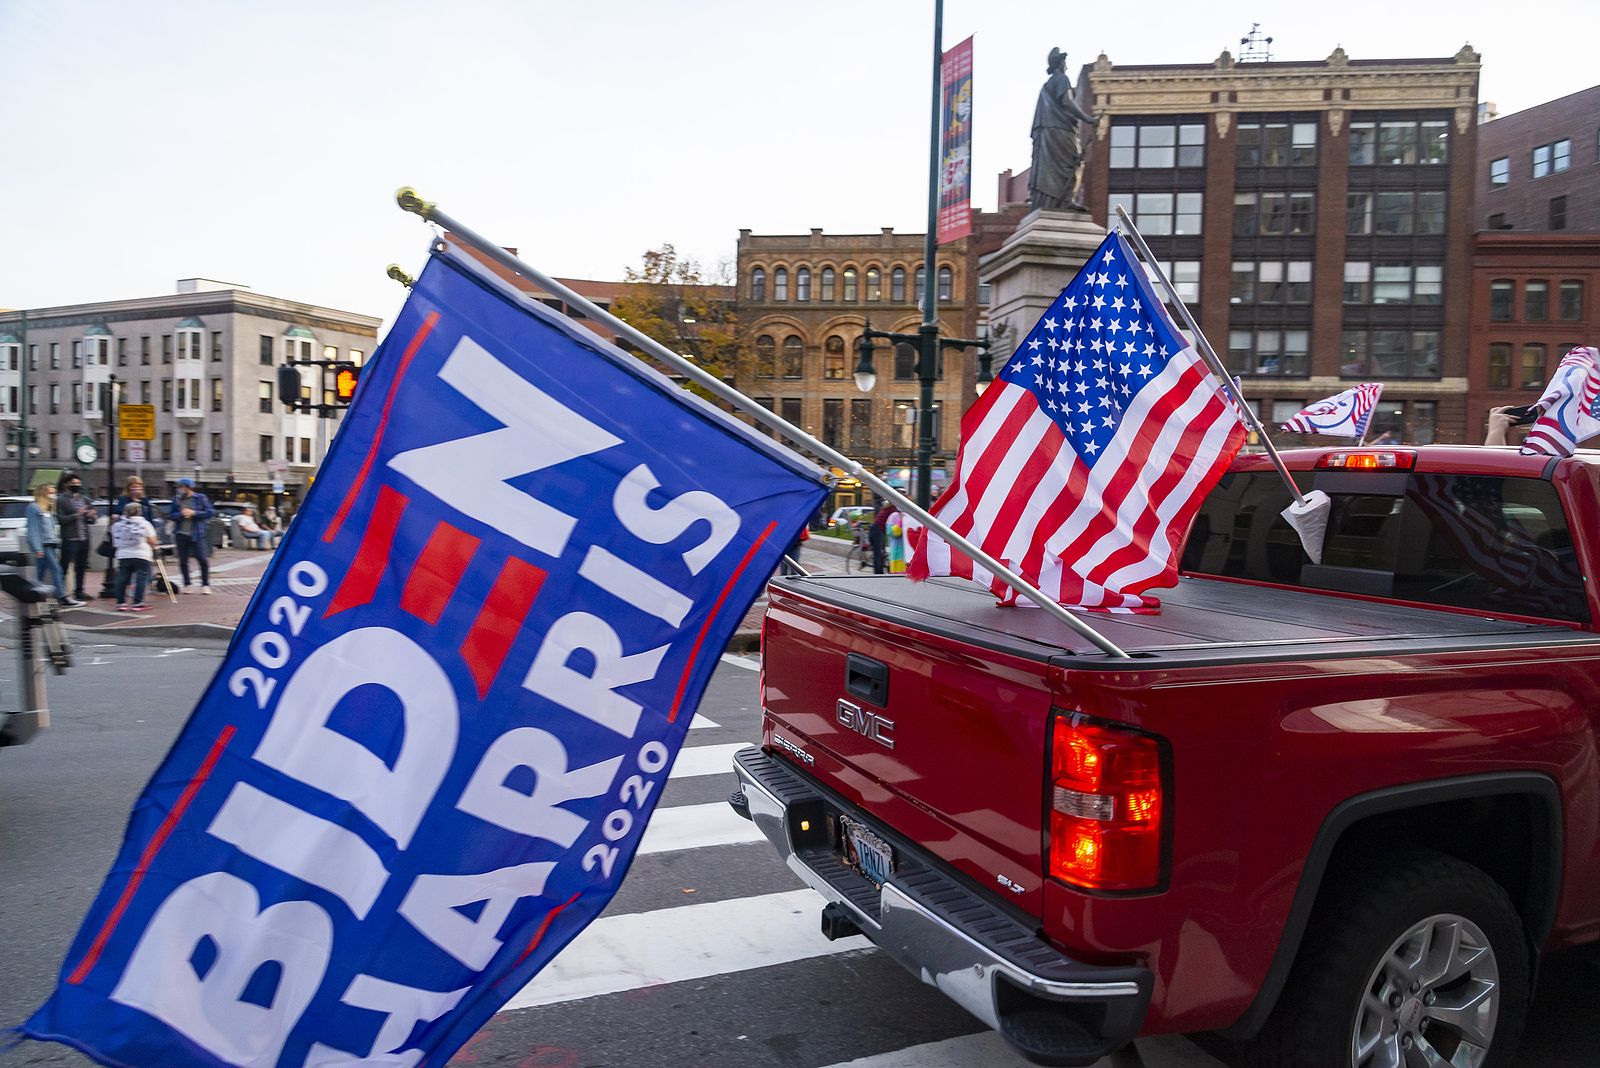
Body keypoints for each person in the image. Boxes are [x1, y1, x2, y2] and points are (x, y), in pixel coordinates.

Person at [1029, 47, 1095, 211]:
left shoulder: (1047, 85)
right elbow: (1066, 101)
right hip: (1060, 129)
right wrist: (1087, 118)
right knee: (1074, 161)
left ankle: (1052, 201)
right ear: (1060, 64)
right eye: (1064, 61)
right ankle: (1066, 201)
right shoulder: (1061, 79)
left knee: (1052, 165)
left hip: (1049, 131)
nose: (1066, 65)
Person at [26, 483, 79, 607]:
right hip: (43, 545)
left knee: (41, 571)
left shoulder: (49, 509)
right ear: (43, 493)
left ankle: (33, 595)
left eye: (54, 492)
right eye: (50, 492)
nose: (53, 495)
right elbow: (33, 529)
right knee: (56, 570)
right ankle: (61, 596)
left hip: (51, 544)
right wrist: (37, 548)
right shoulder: (34, 507)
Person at [169, 477, 215, 594]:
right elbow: (171, 515)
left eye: (182, 487)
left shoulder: (200, 498)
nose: (180, 490)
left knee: (202, 559)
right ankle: (187, 583)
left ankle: (205, 584)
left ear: (188, 487)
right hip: (181, 533)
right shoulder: (177, 499)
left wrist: (194, 513)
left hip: (197, 533)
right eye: (179, 487)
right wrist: (180, 515)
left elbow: (210, 512)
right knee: (183, 560)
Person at [55, 474, 97, 602]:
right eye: (74, 483)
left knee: (81, 566)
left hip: (84, 537)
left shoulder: (85, 499)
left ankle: (79, 591)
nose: (77, 486)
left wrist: (91, 516)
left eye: (78, 483)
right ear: (67, 484)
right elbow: (61, 519)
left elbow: (92, 520)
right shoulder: (62, 500)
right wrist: (76, 515)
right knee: (65, 566)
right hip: (70, 538)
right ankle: (61, 592)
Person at [111, 502, 159, 611]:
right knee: (141, 579)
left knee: (122, 578)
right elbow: (152, 541)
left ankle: (121, 603)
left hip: (123, 554)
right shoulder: (145, 524)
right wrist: (155, 548)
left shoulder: (117, 525)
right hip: (141, 554)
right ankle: (138, 603)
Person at [869, 500, 892, 575]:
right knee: (878, 554)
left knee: (880, 553)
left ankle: (880, 572)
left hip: (876, 529)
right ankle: (878, 574)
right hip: (877, 531)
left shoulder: (887, 507)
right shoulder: (892, 509)